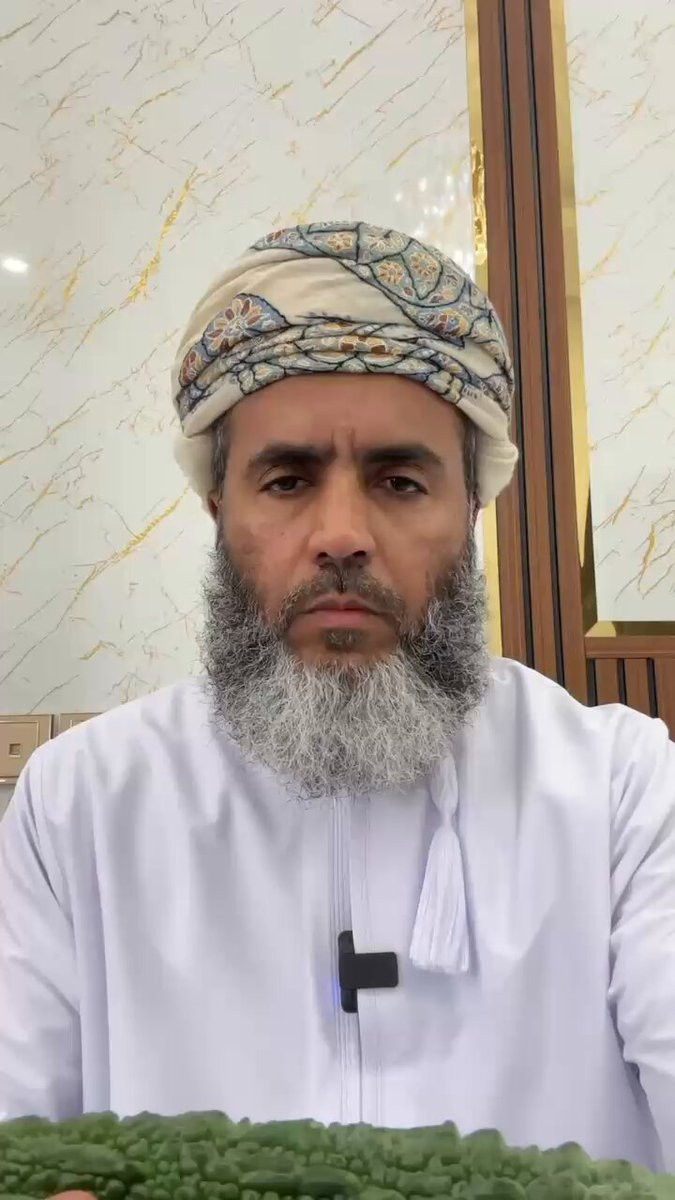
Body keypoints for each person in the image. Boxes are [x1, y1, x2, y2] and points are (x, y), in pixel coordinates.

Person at [0, 221, 674, 1173]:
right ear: (217, 508)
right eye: (287, 480)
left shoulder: (620, 794)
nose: (342, 535)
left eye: (399, 481)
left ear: (471, 508)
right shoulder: (82, 803)